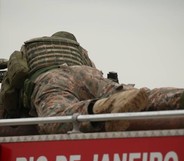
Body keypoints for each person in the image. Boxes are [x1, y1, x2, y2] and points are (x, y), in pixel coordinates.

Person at [1, 31, 184, 136]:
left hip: (50, 80)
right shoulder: (77, 52)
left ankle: (101, 107)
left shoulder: (23, 60)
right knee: (129, 92)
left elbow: (8, 108)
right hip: (87, 74)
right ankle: (175, 97)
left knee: (57, 119)